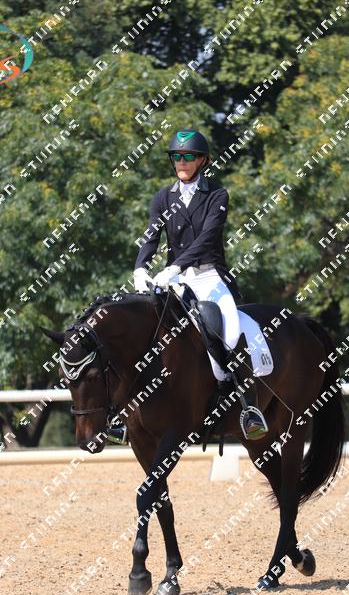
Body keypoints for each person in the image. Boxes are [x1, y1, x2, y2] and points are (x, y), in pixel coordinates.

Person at [106, 129, 268, 445]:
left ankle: (247, 407)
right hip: (174, 280)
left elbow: (207, 238)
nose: (182, 161)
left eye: (188, 156)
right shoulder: (162, 197)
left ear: (202, 161)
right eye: (177, 156)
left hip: (208, 277)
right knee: (143, 331)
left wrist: (175, 267)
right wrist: (140, 267)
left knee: (227, 331)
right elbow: (151, 236)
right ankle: (123, 415)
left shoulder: (217, 195)